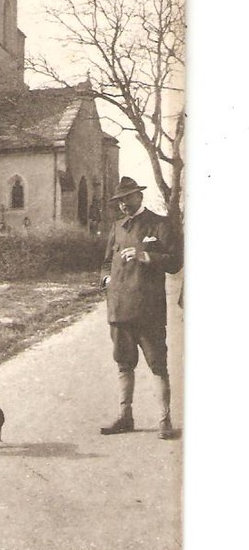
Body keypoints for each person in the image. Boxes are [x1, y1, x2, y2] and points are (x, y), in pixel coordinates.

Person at [99, 176, 182, 439]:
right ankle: (125, 417)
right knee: (124, 364)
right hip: (119, 309)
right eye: (119, 200)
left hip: (148, 311)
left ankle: (164, 421)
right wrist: (106, 280)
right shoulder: (117, 227)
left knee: (158, 365)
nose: (123, 204)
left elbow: (175, 262)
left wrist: (146, 255)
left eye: (127, 198)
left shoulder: (159, 224)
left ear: (139, 197)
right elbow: (104, 262)